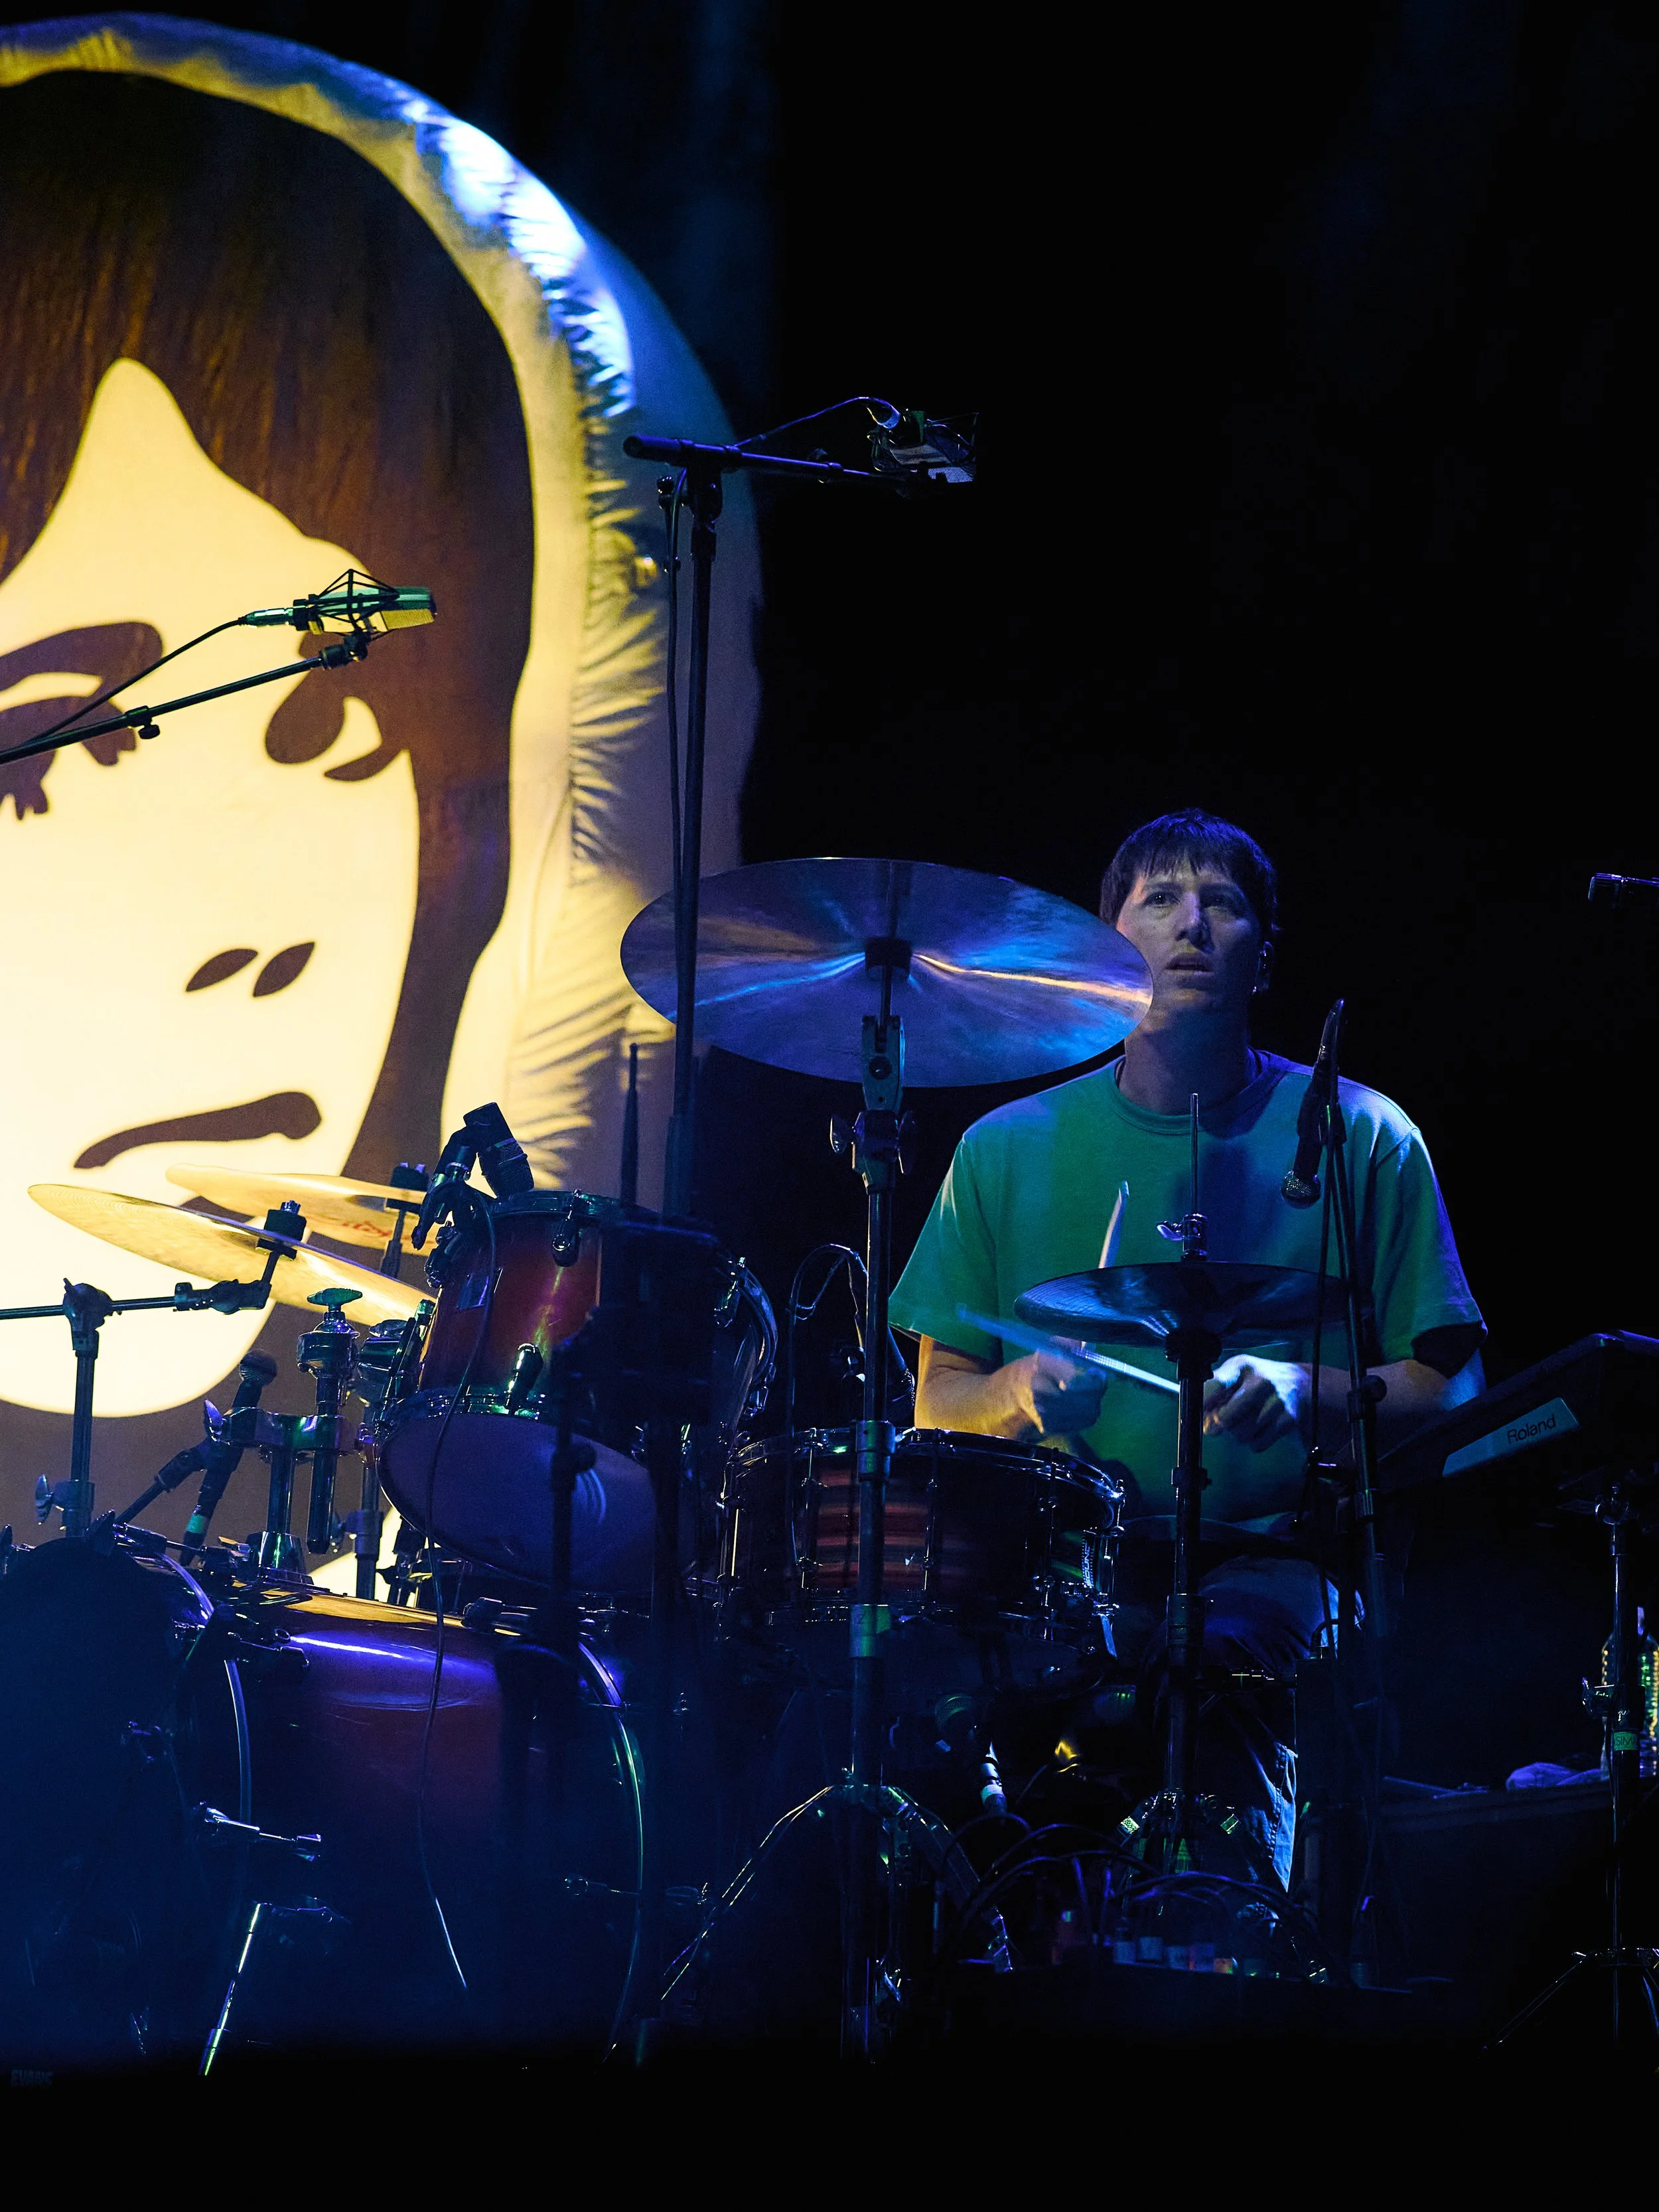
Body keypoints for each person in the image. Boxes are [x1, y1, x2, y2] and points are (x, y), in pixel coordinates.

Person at [889, 808, 1486, 1882]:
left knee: (1204, 1670)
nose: (1192, 924)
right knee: (882, 1692)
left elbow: (1455, 1388)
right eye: (1160, 899)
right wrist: (1018, 1387)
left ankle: (1233, 1966)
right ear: (1109, 943)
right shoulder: (1002, 1148)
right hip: (1054, 1574)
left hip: (1277, 1561)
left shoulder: (1363, 1135)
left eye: (1225, 903)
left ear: (1265, 954)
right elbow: (938, 1402)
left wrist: (1314, 1388)